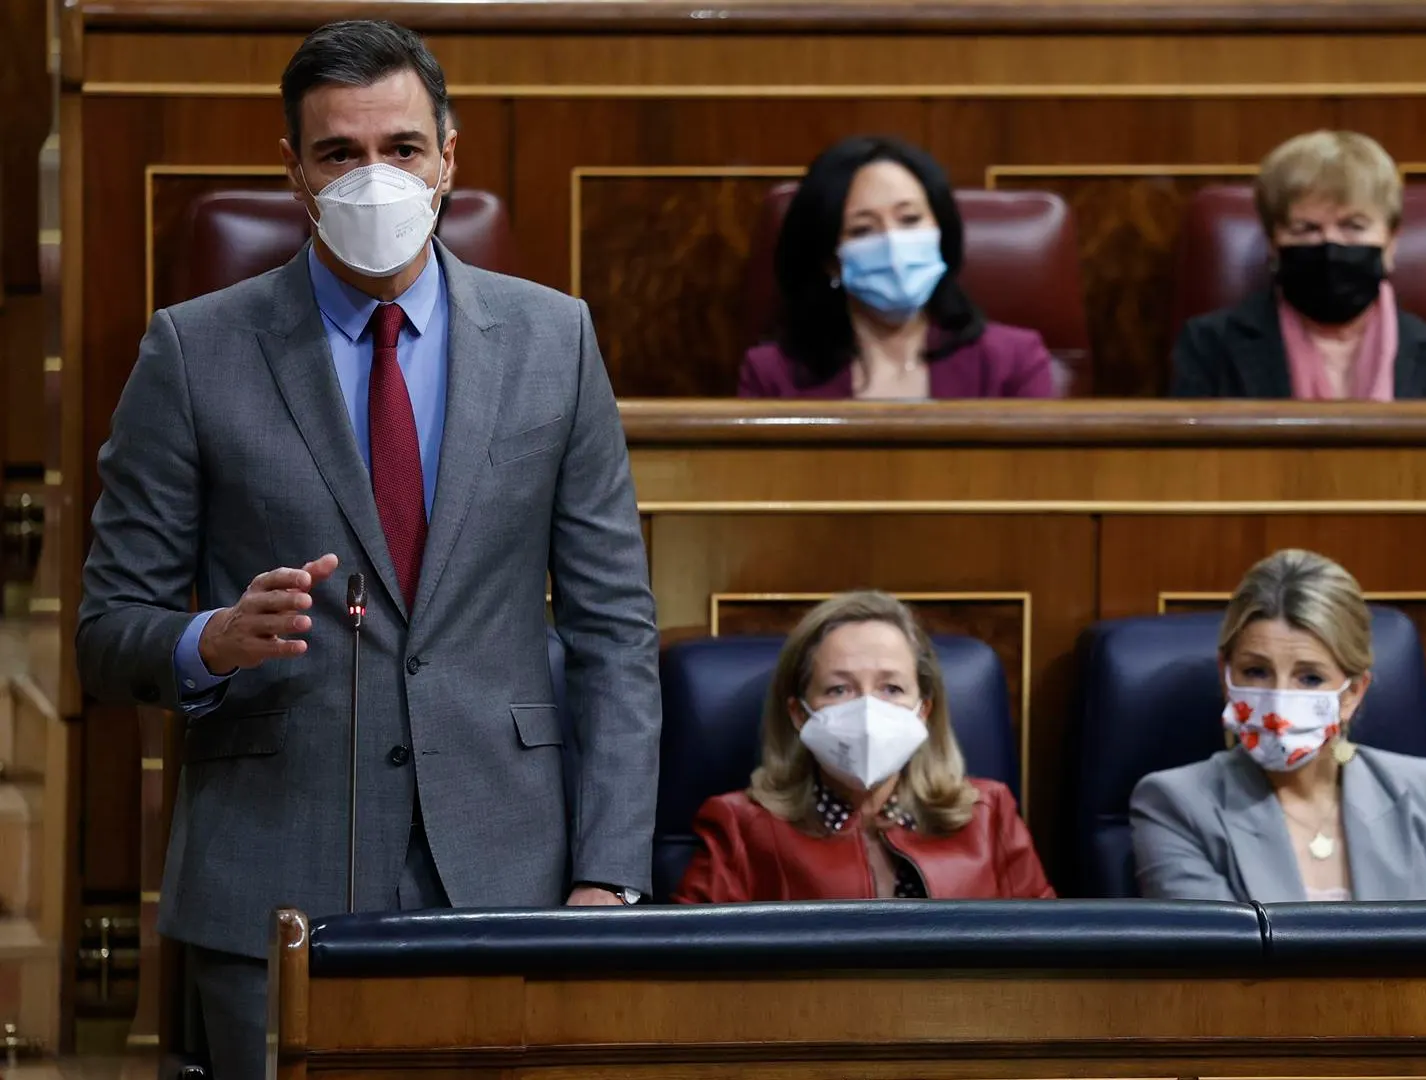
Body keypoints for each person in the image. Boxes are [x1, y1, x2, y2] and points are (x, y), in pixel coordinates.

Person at [74, 21, 662, 1078]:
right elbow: (108, 633)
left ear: (449, 159)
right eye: (340, 154)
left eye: (400, 148)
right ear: (293, 172)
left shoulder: (554, 340)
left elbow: (615, 631)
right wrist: (212, 640)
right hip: (268, 883)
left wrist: (610, 877)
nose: (374, 176)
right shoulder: (193, 352)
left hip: (506, 879)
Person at [1130, 549, 1426, 902]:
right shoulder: (1175, 805)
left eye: (1309, 678)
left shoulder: (1424, 793)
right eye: (1256, 672)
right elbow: (1222, 955)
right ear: (1226, 677)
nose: (1279, 700)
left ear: (1352, 692)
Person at [675, 591, 1053, 901]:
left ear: (923, 710)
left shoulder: (990, 816)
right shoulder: (739, 828)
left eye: (892, 688)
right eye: (840, 689)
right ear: (799, 714)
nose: (868, 709)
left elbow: (1051, 959)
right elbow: (687, 971)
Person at [738, 136, 1058, 399]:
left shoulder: (1014, 361)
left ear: (940, 231)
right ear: (830, 261)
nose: (893, 245)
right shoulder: (772, 375)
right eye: (862, 230)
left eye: (910, 220)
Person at [1170, 130, 1426, 400]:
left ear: (1391, 241)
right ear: (1272, 243)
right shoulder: (1210, 348)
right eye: (1305, 228)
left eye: (1353, 226)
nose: (1330, 246)